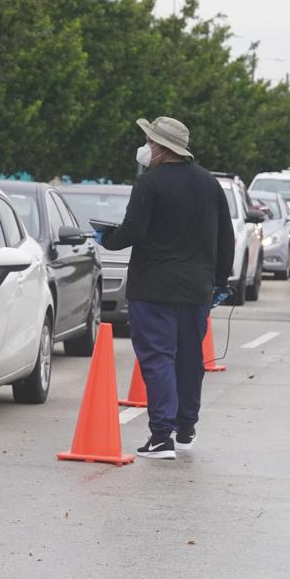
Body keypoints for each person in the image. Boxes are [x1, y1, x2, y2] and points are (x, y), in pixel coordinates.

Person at [97, 116, 234, 460]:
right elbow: (226, 237)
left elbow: (132, 230)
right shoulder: (210, 184)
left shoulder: (150, 183)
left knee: (158, 358)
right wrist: (220, 281)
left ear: (160, 147)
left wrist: (107, 238)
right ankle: (186, 430)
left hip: (154, 288)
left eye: (149, 142)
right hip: (197, 289)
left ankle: (161, 437)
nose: (146, 147)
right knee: (189, 361)